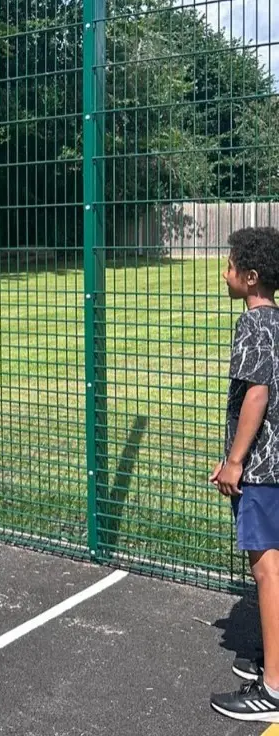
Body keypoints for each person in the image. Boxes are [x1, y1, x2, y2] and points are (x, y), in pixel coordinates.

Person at [209, 226, 279, 722]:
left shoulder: (252, 325)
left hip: (262, 469)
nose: (225, 270)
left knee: (267, 568)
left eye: (231, 263)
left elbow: (256, 394)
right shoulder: (277, 321)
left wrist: (236, 460)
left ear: (250, 277)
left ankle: (273, 688)